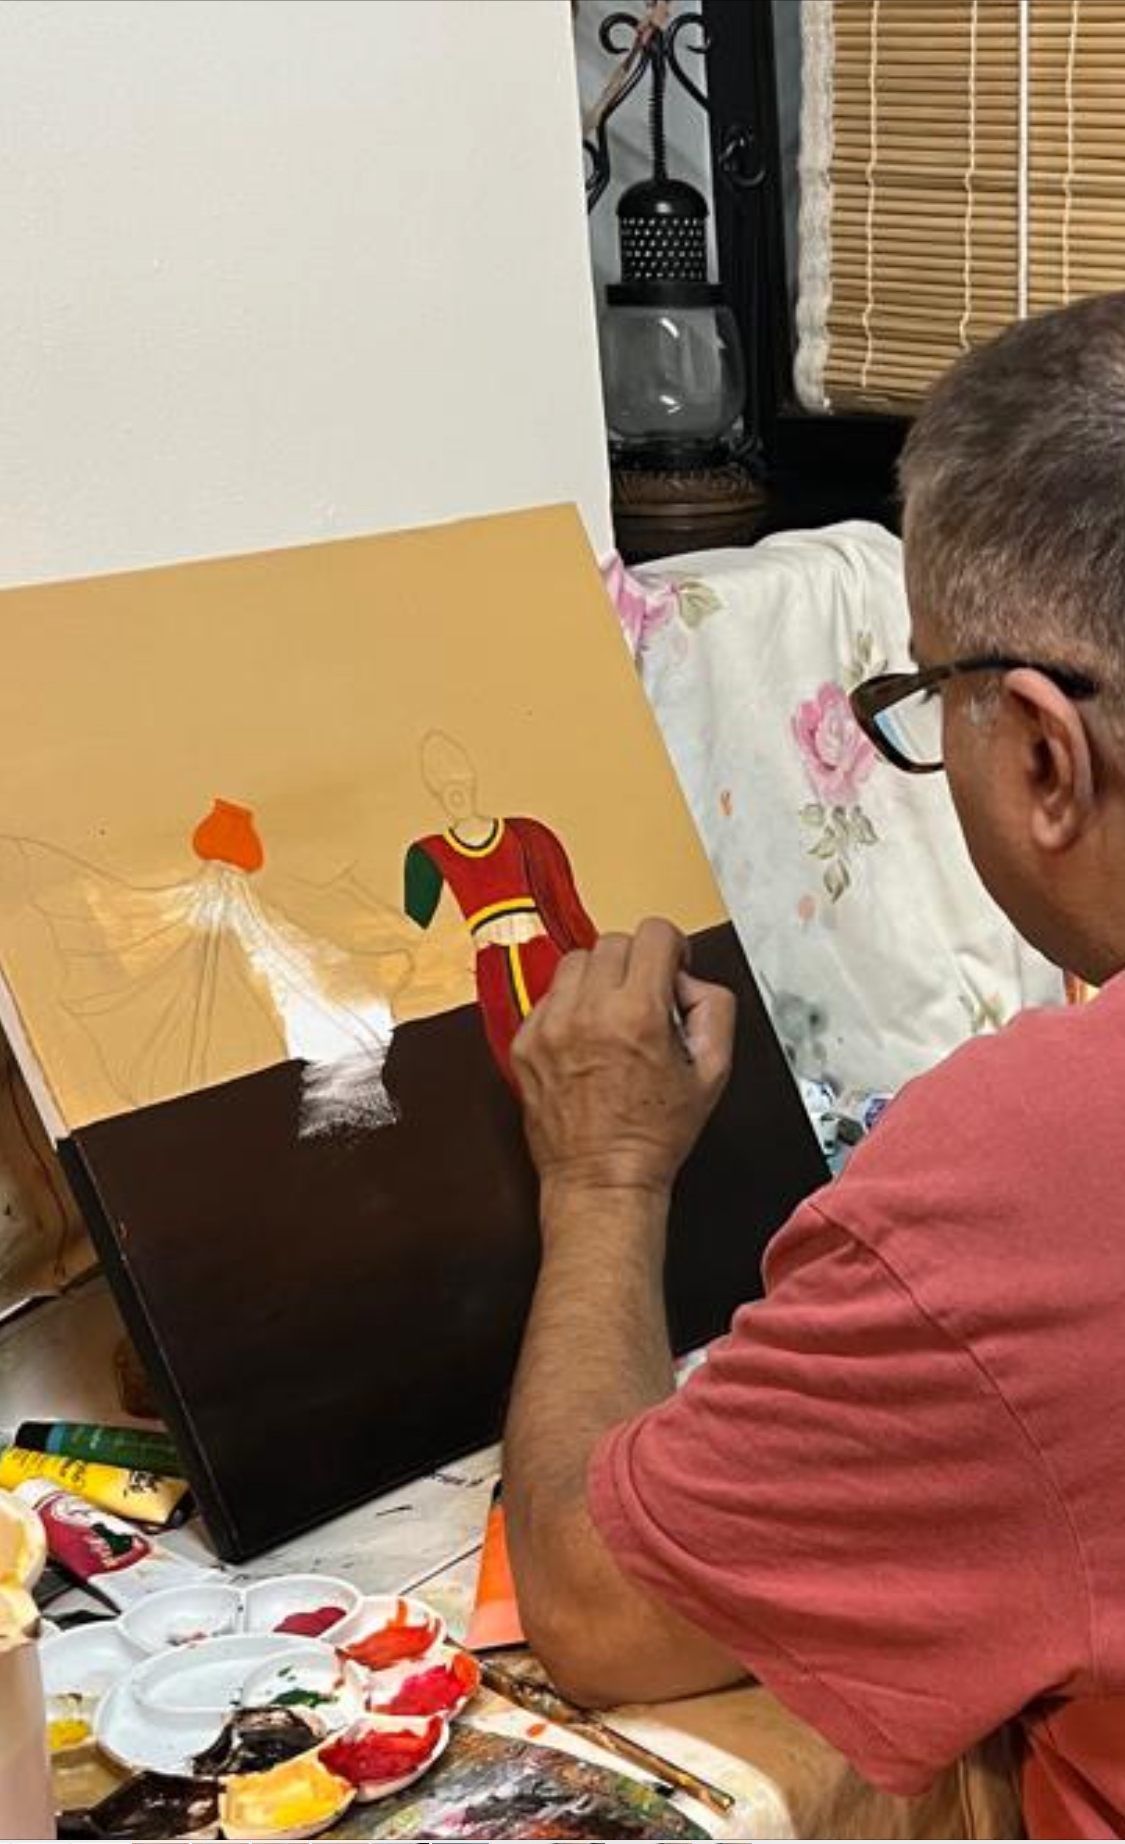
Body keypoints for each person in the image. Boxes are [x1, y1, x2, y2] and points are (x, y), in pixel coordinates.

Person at [502, 292, 1125, 1841]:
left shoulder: (1037, 1173)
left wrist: (603, 1175)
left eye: (922, 702)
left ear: (1041, 753)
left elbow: (593, 1605)